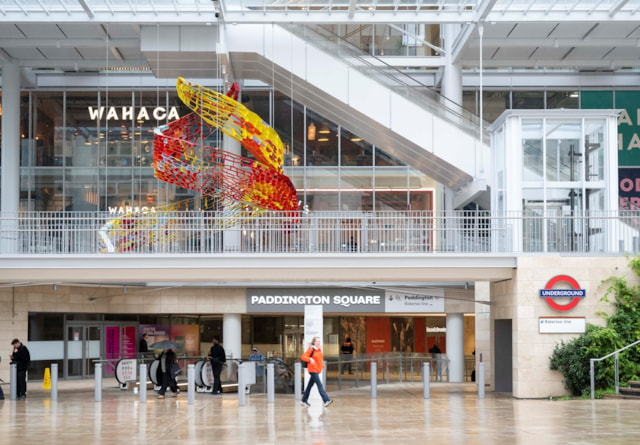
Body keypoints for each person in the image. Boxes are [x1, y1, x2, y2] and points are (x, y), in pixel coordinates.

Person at [300, 336, 333, 408]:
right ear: (314, 342)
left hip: (317, 370)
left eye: (319, 341)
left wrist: (321, 366)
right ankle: (326, 400)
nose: (318, 342)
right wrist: (310, 359)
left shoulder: (319, 350)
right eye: (317, 341)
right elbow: (303, 357)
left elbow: (320, 360)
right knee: (319, 385)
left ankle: (303, 400)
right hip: (313, 370)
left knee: (309, 386)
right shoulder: (311, 349)